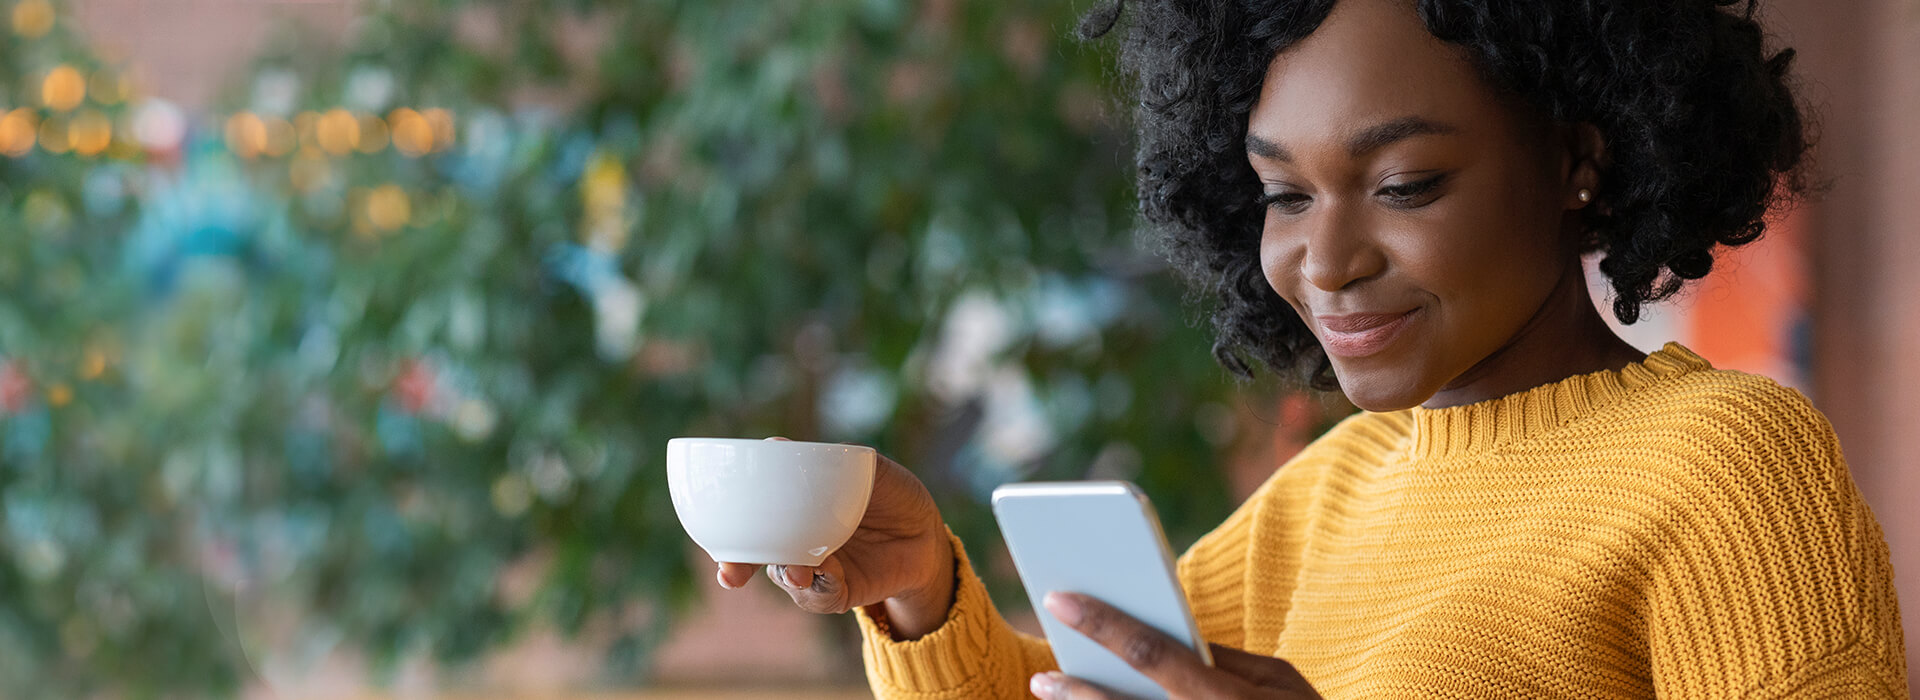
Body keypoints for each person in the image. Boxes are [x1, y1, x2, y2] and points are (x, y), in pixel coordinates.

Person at [715, 0, 1910, 697]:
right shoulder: (1321, 502)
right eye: (1284, 195)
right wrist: (924, 593)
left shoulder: (1730, 468)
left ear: (1577, 160)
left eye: (1402, 182)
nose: (1326, 260)